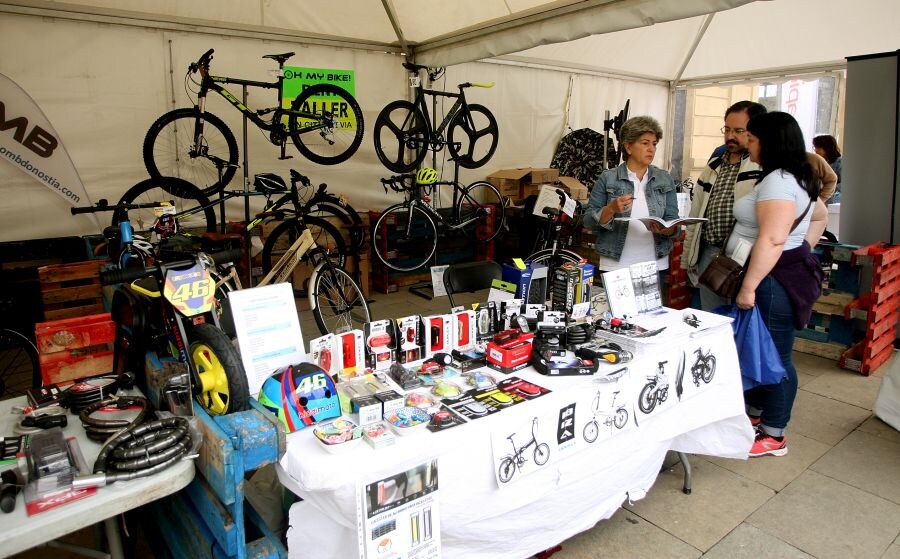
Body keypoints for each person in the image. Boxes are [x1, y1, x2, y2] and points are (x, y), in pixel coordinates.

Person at [730, 111, 827, 457]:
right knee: (762, 349)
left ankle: (775, 433)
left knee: (776, 357)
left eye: (752, 138)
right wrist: (802, 246)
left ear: (768, 142)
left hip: (773, 279)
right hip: (781, 273)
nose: (747, 143)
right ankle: (758, 417)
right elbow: (818, 216)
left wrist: (749, 286)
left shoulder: (780, 181)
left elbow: (771, 240)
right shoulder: (796, 177)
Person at [683, 101, 767, 311]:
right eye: (727, 129)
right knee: (713, 318)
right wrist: (688, 259)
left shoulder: (762, 164)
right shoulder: (715, 163)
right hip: (712, 253)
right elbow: (696, 213)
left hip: (748, 256)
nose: (731, 136)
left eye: (739, 130)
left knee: (745, 320)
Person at [583, 116, 679, 278]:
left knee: (653, 305)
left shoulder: (664, 178)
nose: (651, 149)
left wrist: (666, 229)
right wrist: (611, 209)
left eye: (654, 144)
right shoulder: (608, 178)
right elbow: (588, 220)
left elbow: (673, 220)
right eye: (645, 143)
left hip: (655, 264)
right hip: (616, 263)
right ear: (628, 147)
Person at [813, 134, 842, 203]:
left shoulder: (839, 162)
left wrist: (825, 188)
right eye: (815, 147)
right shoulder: (820, 161)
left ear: (827, 148)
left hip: (832, 199)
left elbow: (843, 184)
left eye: (818, 148)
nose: (815, 150)